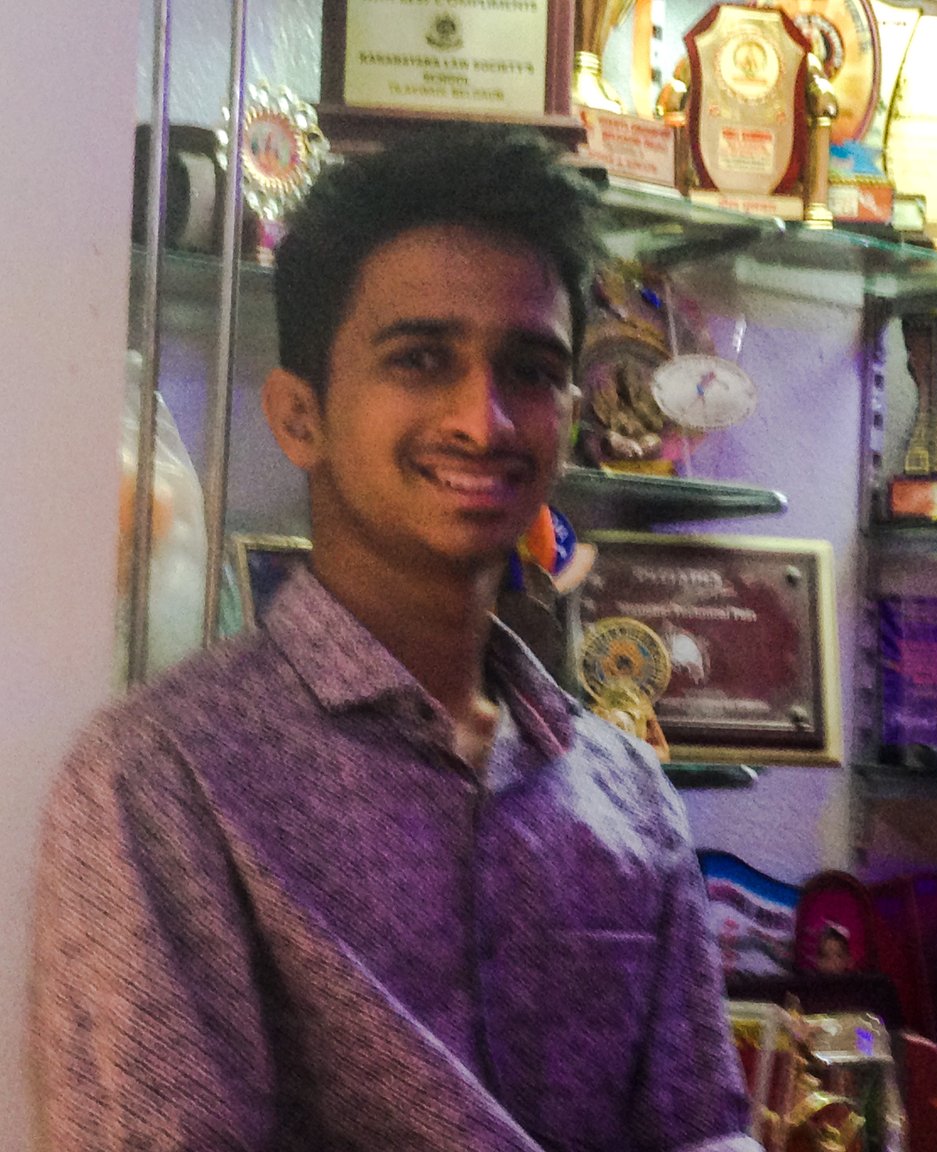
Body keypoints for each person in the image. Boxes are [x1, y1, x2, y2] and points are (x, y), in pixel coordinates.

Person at [31, 126, 757, 1152]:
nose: (484, 420)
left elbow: (705, 1134)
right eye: (420, 360)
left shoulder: (626, 796)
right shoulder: (163, 780)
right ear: (300, 417)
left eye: (530, 369)